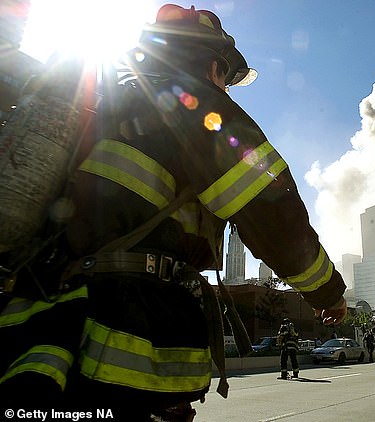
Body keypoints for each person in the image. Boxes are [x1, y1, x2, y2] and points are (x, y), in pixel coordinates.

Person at [0, 4, 347, 420]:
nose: (228, 88)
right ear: (213, 63)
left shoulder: (105, 108)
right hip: (126, 339)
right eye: (226, 75)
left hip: (44, 328)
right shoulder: (199, 109)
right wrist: (328, 292)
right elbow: (274, 216)